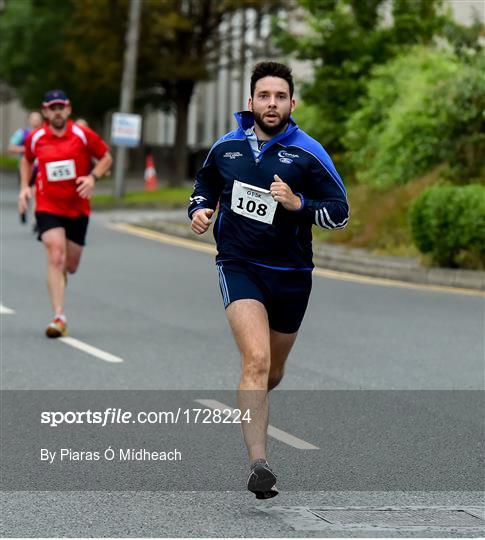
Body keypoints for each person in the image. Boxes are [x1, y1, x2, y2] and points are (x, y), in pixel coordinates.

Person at [188, 62, 349, 499]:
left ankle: (253, 390)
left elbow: (339, 212)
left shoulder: (308, 152)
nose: (271, 103)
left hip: (292, 275)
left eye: (280, 96)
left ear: (292, 103)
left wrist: (297, 203)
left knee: (271, 370)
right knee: (255, 360)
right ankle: (259, 465)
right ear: (251, 102)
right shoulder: (226, 148)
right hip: (238, 265)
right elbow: (204, 187)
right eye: (264, 96)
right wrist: (199, 211)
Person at [18, 90, 112, 338]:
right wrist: (24, 188)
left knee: (70, 265)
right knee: (55, 254)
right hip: (48, 206)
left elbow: (105, 157)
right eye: (52, 107)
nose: (57, 111)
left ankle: (61, 281)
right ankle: (59, 316)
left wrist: (92, 177)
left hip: (78, 207)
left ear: (68, 109)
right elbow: (26, 160)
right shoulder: (36, 138)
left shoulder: (82, 135)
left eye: (61, 106)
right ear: (45, 111)